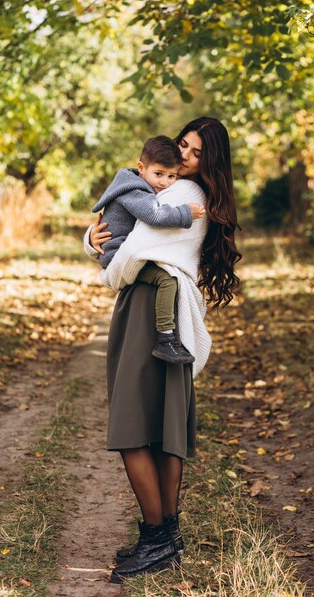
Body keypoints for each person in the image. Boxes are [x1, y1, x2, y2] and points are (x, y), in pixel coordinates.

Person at [83, 116, 241, 584]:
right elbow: (118, 226)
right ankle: (165, 535)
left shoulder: (182, 195)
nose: (186, 158)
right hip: (167, 311)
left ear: (211, 160)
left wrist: (104, 266)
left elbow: (132, 252)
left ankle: (158, 536)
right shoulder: (193, 195)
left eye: (196, 153)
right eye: (182, 146)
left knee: (133, 425)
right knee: (166, 426)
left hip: (148, 307)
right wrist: (93, 240)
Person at [90, 134, 205, 364]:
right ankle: (165, 338)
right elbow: (153, 215)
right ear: (141, 168)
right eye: (159, 175)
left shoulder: (142, 183)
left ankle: (166, 337)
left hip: (118, 248)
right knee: (167, 280)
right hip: (116, 253)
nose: (164, 182)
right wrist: (185, 213)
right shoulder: (135, 189)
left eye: (171, 176)